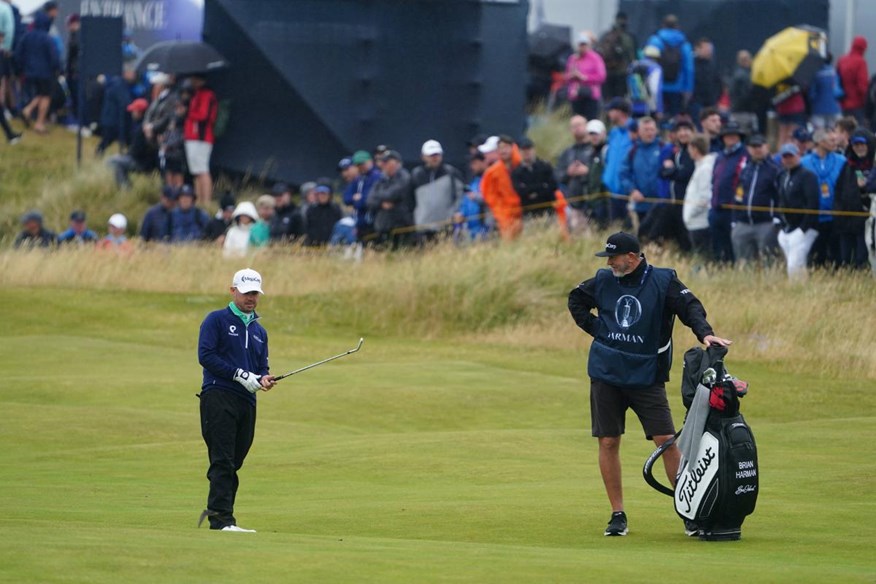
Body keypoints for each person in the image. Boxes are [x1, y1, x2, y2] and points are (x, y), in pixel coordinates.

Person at [568, 231, 732, 537]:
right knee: (608, 441)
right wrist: (597, 330)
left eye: (614, 257)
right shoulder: (604, 280)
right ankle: (617, 514)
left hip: (646, 377)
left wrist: (705, 334)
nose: (610, 262)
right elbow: (575, 299)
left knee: (667, 442)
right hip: (606, 373)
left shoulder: (663, 281)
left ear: (632, 258)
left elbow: (690, 307)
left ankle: (689, 510)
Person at [197, 268, 275, 532]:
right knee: (223, 460)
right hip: (218, 396)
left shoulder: (259, 332)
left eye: (255, 293)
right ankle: (221, 520)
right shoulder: (216, 320)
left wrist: (264, 379)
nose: (250, 298)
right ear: (233, 291)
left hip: (247, 402)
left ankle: (221, 515)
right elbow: (206, 356)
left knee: (235, 460)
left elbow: (261, 366)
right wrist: (240, 374)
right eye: (245, 292)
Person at [732, 134, 781, 265]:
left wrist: (777, 219)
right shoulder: (746, 168)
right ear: (748, 149)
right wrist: (735, 219)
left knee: (769, 262)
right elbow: (738, 195)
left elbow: (780, 196)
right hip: (743, 222)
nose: (757, 149)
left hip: (766, 223)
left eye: (760, 146)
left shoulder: (775, 169)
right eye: (754, 147)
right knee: (743, 262)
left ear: (767, 147)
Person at [801, 128, 846, 267]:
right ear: (820, 142)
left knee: (837, 256)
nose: (835, 143)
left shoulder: (842, 160)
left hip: (836, 217)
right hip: (813, 218)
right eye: (831, 140)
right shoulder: (804, 162)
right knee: (815, 257)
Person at [776, 143, 820, 279]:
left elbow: (813, 205)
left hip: (804, 228)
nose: (788, 159)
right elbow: (780, 201)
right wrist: (781, 225)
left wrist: (802, 229)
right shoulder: (782, 175)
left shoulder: (808, 176)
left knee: (794, 264)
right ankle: (799, 293)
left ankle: (798, 291)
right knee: (793, 264)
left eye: (791, 156)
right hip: (787, 229)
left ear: (798, 156)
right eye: (785, 156)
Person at [410, 139, 464, 243]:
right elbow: (409, 200)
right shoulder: (416, 175)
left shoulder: (451, 172)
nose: (434, 157)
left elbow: (461, 195)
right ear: (423, 157)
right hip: (423, 227)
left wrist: (456, 211)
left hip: (446, 225)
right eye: (431, 155)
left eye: (437, 154)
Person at [14, 9, 59, 134]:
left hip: (29, 73)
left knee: (38, 94)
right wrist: (57, 69)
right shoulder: (47, 39)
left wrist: (21, 69)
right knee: (46, 96)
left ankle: (27, 111)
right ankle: (39, 123)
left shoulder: (27, 36)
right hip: (45, 73)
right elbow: (54, 57)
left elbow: (18, 54)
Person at [833, 130, 874, 269]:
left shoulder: (873, 166)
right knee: (846, 260)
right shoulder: (848, 165)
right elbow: (838, 191)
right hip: (846, 222)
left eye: (862, 144)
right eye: (856, 145)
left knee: (862, 260)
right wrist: (838, 213)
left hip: (867, 222)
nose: (859, 148)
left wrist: (864, 189)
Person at [709, 121, 748, 264]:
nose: (731, 138)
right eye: (728, 135)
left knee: (733, 247)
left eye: (734, 135)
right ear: (723, 138)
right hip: (716, 208)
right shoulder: (720, 156)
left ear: (739, 137)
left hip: (733, 209)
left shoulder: (745, 155)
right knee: (717, 247)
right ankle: (720, 269)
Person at [645, 14, 694, 119]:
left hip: (657, 86)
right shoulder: (684, 43)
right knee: (674, 117)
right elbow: (689, 68)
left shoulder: (655, 40)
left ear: (663, 25)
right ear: (677, 26)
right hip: (677, 87)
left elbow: (647, 64)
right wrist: (688, 89)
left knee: (656, 116)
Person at [619, 116, 663, 224]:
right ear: (639, 131)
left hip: (661, 204)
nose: (649, 133)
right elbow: (623, 173)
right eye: (646, 130)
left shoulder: (664, 148)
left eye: (652, 129)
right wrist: (632, 190)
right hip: (641, 204)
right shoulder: (633, 151)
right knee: (644, 235)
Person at [555, 115, 595, 232]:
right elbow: (558, 176)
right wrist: (569, 173)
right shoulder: (567, 153)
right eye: (573, 126)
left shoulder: (596, 148)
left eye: (579, 125)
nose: (576, 128)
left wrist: (588, 172)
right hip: (573, 204)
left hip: (594, 203)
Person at [367, 150, 414, 248]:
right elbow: (369, 200)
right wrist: (381, 204)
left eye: (387, 162)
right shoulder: (381, 180)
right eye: (383, 162)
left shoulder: (405, 177)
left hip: (401, 226)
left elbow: (391, 194)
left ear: (397, 163)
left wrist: (378, 196)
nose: (384, 165)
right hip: (383, 227)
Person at [106, 97, 156, 188]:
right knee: (116, 160)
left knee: (114, 162)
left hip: (142, 162)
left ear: (139, 112)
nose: (132, 113)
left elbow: (138, 151)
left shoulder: (142, 128)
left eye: (134, 110)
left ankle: (125, 188)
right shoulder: (143, 124)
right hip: (143, 160)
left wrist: (126, 155)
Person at [184, 75, 218, 205]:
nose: (192, 81)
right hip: (193, 137)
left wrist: (188, 112)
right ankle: (198, 200)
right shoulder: (196, 93)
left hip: (201, 137)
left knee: (203, 170)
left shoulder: (207, 94)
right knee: (196, 171)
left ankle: (206, 201)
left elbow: (203, 115)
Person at [481, 135, 523, 240]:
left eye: (506, 147)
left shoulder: (523, 165)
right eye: (500, 148)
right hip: (504, 217)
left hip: (526, 213)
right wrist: (501, 213)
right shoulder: (491, 173)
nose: (503, 151)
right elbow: (489, 196)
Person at [683, 133, 716, 259]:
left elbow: (704, 197)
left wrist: (691, 214)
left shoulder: (705, 169)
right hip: (694, 222)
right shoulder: (700, 167)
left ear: (695, 149)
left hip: (700, 222)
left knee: (703, 257)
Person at [603, 98, 634, 223]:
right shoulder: (614, 133)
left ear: (620, 113)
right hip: (612, 189)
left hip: (628, 191)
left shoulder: (634, 131)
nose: (609, 114)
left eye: (611, 110)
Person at [512, 137, 557, 219]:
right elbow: (519, 191)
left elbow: (553, 186)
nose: (526, 152)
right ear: (519, 152)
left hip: (548, 210)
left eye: (528, 149)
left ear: (533, 150)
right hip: (528, 212)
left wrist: (531, 190)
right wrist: (541, 186)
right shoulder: (517, 172)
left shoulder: (545, 166)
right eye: (523, 150)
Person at [564, 31, 606, 120]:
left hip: (591, 96)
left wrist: (584, 77)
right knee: (577, 121)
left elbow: (601, 77)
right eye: (580, 44)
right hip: (576, 95)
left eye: (584, 44)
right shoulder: (573, 58)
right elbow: (566, 76)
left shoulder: (595, 58)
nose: (582, 47)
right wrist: (571, 76)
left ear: (589, 45)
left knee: (590, 120)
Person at [596, 11, 637, 100]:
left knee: (607, 99)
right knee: (619, 99)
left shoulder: (606, 35)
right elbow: (632, 56)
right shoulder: (629, 37)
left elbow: (598, 52)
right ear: (627, 21)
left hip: (607, 71)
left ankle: (606, 113)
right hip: (622, 73)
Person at [343, 150, 381, 243]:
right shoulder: (358, 178)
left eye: (362, 164)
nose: (361, 167)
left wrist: (358, 199)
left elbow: (367, 200)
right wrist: (355, 198)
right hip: (359, 222)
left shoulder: (376, 176)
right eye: (358, 165)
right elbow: (346, 198)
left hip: (372, 221)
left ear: (370, 162)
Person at [837, 36, 869, 126]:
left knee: (845, 130)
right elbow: (862, 86)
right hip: (857, 104)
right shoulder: (861, 62)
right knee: (858, 131)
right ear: (863, 48)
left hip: (843, 103)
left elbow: (837, 80)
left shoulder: (842, 60)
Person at [689, 38, 722, 123]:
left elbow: (718, 83)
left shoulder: (712, 65)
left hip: (711, 102)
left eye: (710, 49)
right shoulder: (690, 64)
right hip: (696, 101)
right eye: (706, 49)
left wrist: (716, 98)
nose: (709, 51)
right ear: (697, 49)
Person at [627, 45, 663, 119]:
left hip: (634, 104)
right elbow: (655, 90)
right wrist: (659, 109)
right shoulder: (655, 67)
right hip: (649, 106)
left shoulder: (633, 65)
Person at [808, 56, 842, 131]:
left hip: (818, 108)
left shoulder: (816, 74)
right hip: (834, 107)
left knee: (819, 134)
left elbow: (812, 94)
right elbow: (838, 91)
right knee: (833, 131)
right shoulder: (834, 73)